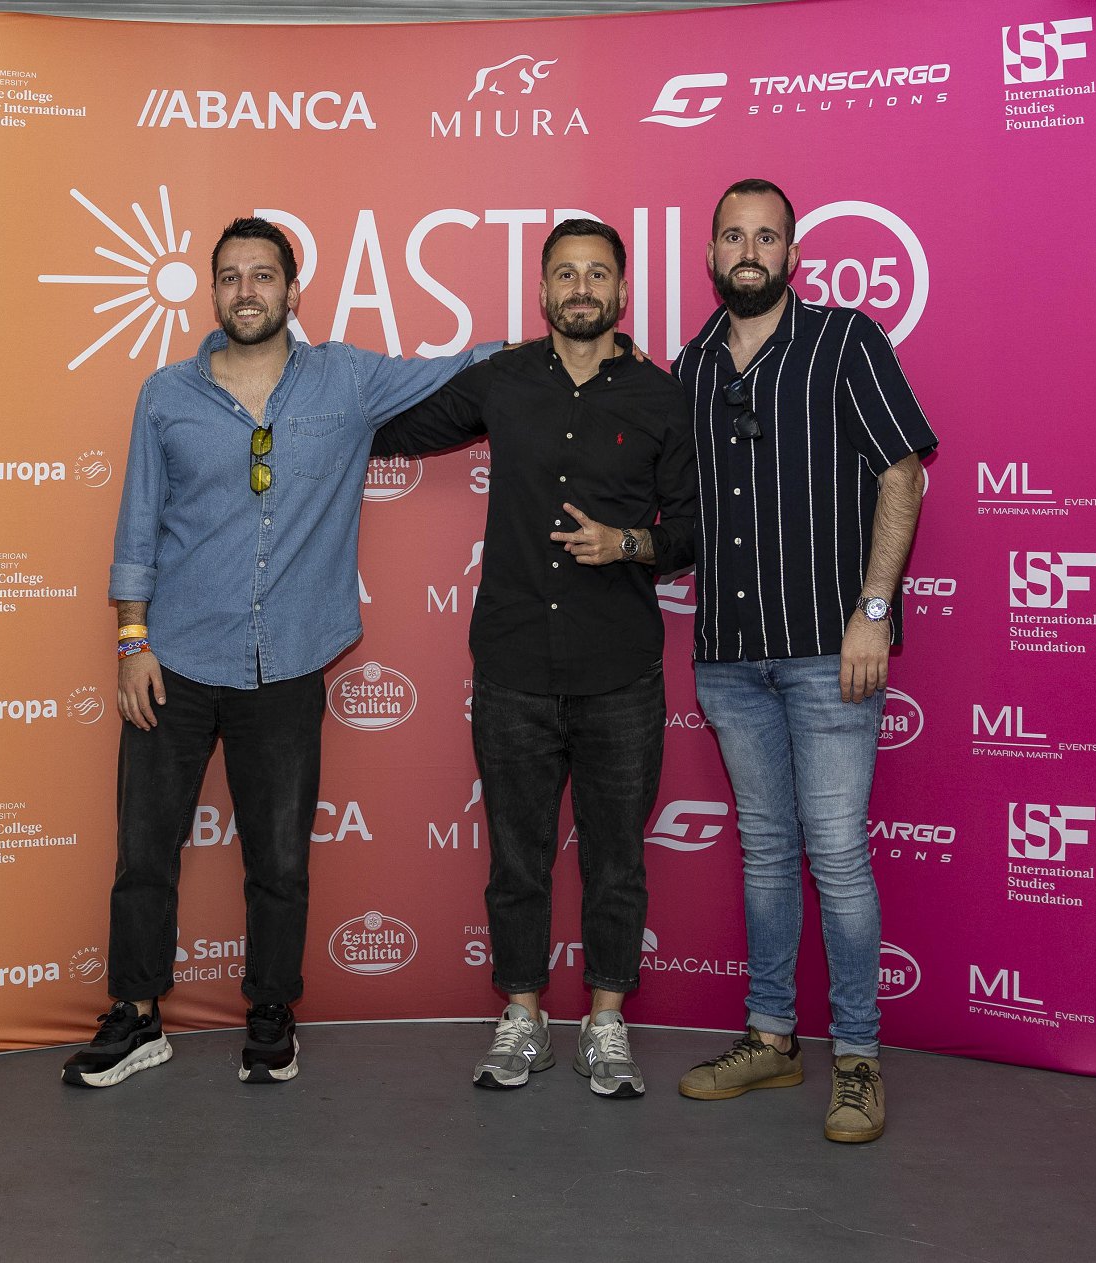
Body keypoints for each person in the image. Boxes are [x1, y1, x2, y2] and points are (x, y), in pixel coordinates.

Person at [61, 217, 501, 1088]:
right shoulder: (166, 394)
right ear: (212, 292)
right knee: (144, 853)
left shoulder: (347, 377)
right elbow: (137, 524)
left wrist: (566, 345)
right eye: (230, 276)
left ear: (293, 292)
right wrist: (132, 640)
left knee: (281, 859)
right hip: (172, 661)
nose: (247, 290)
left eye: (263, 275)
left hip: (289, 661)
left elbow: (462, 365)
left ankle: (270, 1014)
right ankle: (136, 1015)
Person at [372, 219, 696, 1098]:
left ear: (621, 291)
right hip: (512, 667)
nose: (581, 287)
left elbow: (690, 530)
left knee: (616, 862)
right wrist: (299, 413)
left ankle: (605, 1021)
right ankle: (523, 1016)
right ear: (544, 290)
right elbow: (396, 430)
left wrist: (626, 543)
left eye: (597, 273)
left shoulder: (662, 396)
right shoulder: (503, 379)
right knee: (517, 861)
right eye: (565, 274)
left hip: (620, 673)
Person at [672, 180, 937, 1141]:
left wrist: (874, 611)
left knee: (835, 851)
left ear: (792, 254)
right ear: (712, 253)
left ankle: (858, 1056)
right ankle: (772, 1038)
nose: (749, 250)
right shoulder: (691, 366)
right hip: (729, 657)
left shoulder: (845, 340)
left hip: (833, 650)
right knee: (768, 851)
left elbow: (902, 473)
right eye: (732, 236)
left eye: (767, 236)